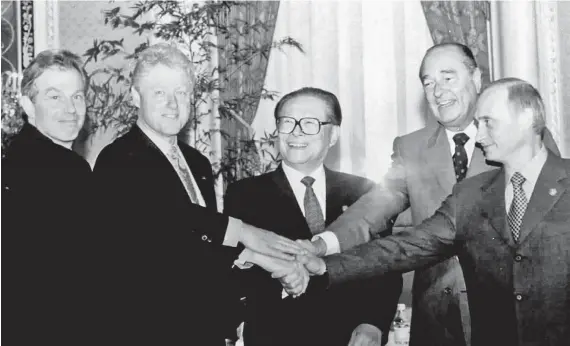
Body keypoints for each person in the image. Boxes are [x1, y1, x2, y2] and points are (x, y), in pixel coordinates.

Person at [307, 43, 560, 346]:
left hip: (511, 321)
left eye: (448, 77)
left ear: (477, 78)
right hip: (438, 322)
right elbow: (375, 208)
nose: (437, 91)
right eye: (428, 83)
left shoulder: (520, 140)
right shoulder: (409, 148)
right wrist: (323, 244)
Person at [91, 43, 304, 345]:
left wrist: (251, 290)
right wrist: (244, 234)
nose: (172, 104)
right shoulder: (119, 160)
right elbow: (171, 225)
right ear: (135, 97)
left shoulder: (196, 162)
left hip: (203, 329)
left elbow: (203, 247)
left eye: (181, 92)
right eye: (159, 93)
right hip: (146, 330)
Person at [224, 87, 402, 346]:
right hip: (277, 335)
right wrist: (285, 282)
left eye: (309, 123)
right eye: (287, 122)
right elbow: (234, 270)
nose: (296, 131)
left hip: (352, 338)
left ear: (333, 135)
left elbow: (386, 263)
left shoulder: (363, 192)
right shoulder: (244, 194)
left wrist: (374, 322)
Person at [2, 50, 95, 344]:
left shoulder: (15, 157)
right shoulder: (63, 169)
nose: (70, 109)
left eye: (77, 96)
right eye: (55, 97)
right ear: (28, 105)